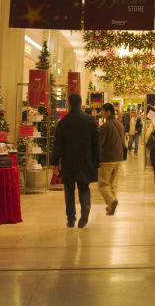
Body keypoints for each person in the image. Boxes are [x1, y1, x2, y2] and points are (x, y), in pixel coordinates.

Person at [52, 93, 99, 228]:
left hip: (69, 162)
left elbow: (58, 144)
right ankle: (86, 206)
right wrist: (97, 160)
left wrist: (55, 162)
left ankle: (71, 219)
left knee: (69, 189)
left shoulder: (64, 122)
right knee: (84, 186)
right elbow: (96, 143)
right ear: (81, 102)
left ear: (70, 104)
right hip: (85, 160)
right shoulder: (90, 120)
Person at [97, 103, 125, 216]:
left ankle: (111, 201)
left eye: (102, 111)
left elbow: (99, 144)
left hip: (108, 158)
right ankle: (110, 207)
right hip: (119, 157)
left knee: (103, 184)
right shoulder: (120, 124)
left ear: (108, 112)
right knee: (113, 184)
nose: (101, 113)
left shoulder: (105, 126)